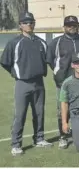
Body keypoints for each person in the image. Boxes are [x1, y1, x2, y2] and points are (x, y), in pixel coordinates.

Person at [1, 12, 53, 156]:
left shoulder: (41, 42)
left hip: (39, 83)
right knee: (20, 114)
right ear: (20, 25)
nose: (28, 25)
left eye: (31, 22)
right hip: (22, 83)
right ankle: (16, 144)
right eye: (25, 22)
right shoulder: (14, 43)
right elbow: (5, 62)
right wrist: (16, 73)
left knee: (39, 113)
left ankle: (39, 138)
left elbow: (48, 60)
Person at [47, 15, 79, 149]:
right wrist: (59, 73)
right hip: (63, 83)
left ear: (78, 26)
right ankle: (63, 136)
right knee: (62, 110)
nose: (72, 27)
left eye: (74, 25)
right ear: (64, 27)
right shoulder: (56, 42)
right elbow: (51, 61)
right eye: (69, 25)